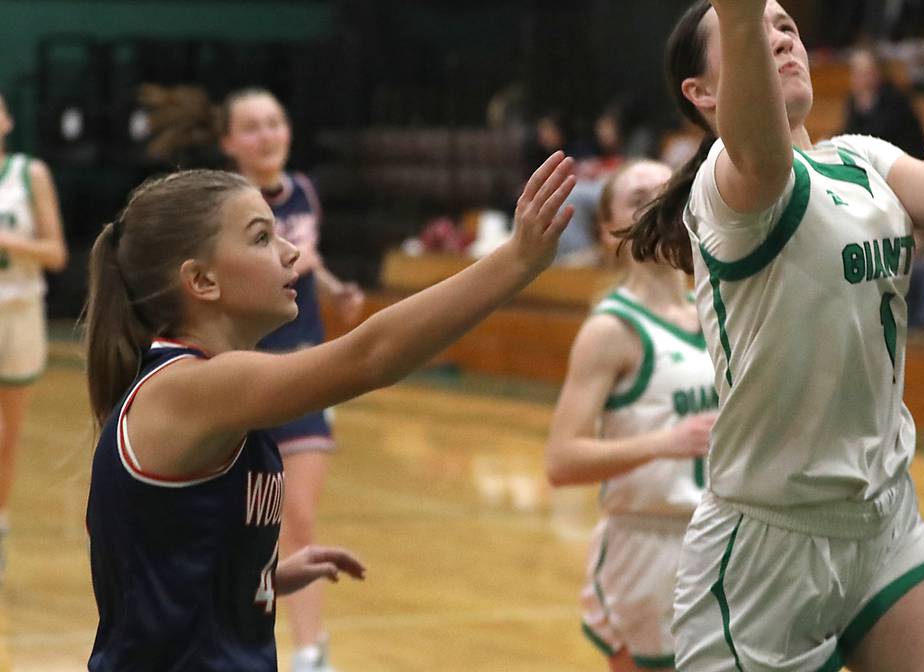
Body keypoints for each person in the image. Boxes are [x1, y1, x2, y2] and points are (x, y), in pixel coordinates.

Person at [623, 0, 924, 671]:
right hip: (765, 549)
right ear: (701, 93)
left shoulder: (860, 157)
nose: (782, 35)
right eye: (759, 31)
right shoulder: (728, 188)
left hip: (882, 526)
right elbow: (761, 155)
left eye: (788, 25)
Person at [84, 153, 575, 670]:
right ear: (202, 281)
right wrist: (518, 259)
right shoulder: (191, 387)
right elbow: (371, 356)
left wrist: (259, 577)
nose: (291, 251)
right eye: (260, 238)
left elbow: (153, 554)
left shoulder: (201, 387)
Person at [546, 160, 718, 671]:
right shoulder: (611, 329)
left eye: (668, 191)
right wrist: (664, 443)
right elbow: (561, 460)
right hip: (648, 543)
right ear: (607, 230)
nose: (658, 201)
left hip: (723, 535)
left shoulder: (718, 310)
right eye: (639, 196)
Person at [218, 89, 365, 672]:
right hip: (240, 375)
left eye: (274, 122)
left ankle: (309, 651)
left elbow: (311, 258)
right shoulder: (223, 205)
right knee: (238, 522)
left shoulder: (303, 191)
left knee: (294, 515)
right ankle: (236, 636)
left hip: (304, 372)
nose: (266, 134)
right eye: (251, 127)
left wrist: (332, 287)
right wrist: (283, 261)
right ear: (229, 143)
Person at [0, 93, 68, 582]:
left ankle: (0, 523)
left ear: (5, 119)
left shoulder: (29, 174)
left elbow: (56, 252)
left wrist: (7, 241)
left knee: (8, 438)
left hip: (20, 311)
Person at [841, 48, 924, 159]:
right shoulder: (854, 100)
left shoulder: (894, 99)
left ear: (876, 73)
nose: (859, 79)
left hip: (904, 160)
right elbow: (850, 131)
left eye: (864, 74)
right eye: (856, 74)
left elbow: (879, 137)